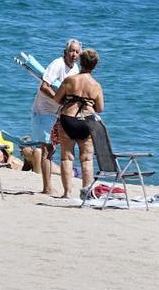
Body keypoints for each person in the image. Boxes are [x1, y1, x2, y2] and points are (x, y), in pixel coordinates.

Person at [28, 39, 81, 194]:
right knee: (46, 149)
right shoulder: (57, 64)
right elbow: (44, 86)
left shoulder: (75, 69)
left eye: (77, 52)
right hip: (43, 111)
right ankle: (47, 187)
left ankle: (51, 186)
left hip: (58, 113)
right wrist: (59, 98)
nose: (74, 54)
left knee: (53, 150)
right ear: (65, 52)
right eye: (71, 51)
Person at [53, 48, 103, 199]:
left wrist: (70, 100)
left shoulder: (70, 80)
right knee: (87, 159)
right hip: (86, 122)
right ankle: (86, 193)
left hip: (68, 119)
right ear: (95, 65)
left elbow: (56, 99)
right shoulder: (96, 85)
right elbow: (100, 108)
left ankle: (67, 193)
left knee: (66, 157)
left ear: (81, 62)